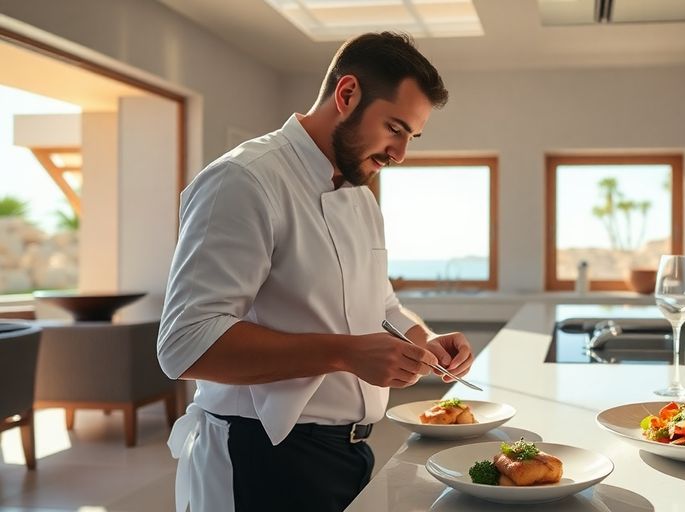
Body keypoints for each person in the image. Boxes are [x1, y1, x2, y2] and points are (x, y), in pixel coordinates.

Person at [156, 32, 472, 512]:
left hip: (348, 453)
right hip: (260, 459)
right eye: (394, 128)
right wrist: (347, 354)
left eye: (411, 136)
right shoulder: (244, 180)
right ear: (346, 95)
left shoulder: (361, 197)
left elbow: (381, 303)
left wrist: (420, 338)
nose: (400, 153)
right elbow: (186, 344)